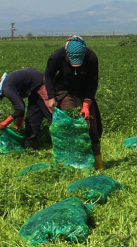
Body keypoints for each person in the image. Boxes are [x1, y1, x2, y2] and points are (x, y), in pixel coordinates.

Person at [43, 36, 103, 169]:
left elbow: (93, 82)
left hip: (84, 91)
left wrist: (87, 105)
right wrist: (51, 97)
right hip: (65, 90)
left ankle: (97, 164)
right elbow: (48, 76)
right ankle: (71, 164)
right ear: (66, 55)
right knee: (69, 126)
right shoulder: (56, 56)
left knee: (91, 127)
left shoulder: (91, 57)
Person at [0, 68, 50, 149]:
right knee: (31, 121)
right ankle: (29, 151)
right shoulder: (7, 86)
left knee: (51, 115)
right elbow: (21, 107)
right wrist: (18, 126)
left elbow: (20, 109)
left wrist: (5, 122)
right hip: (35, 90)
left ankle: (64, 143)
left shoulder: (6, 88)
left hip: (42, 85)